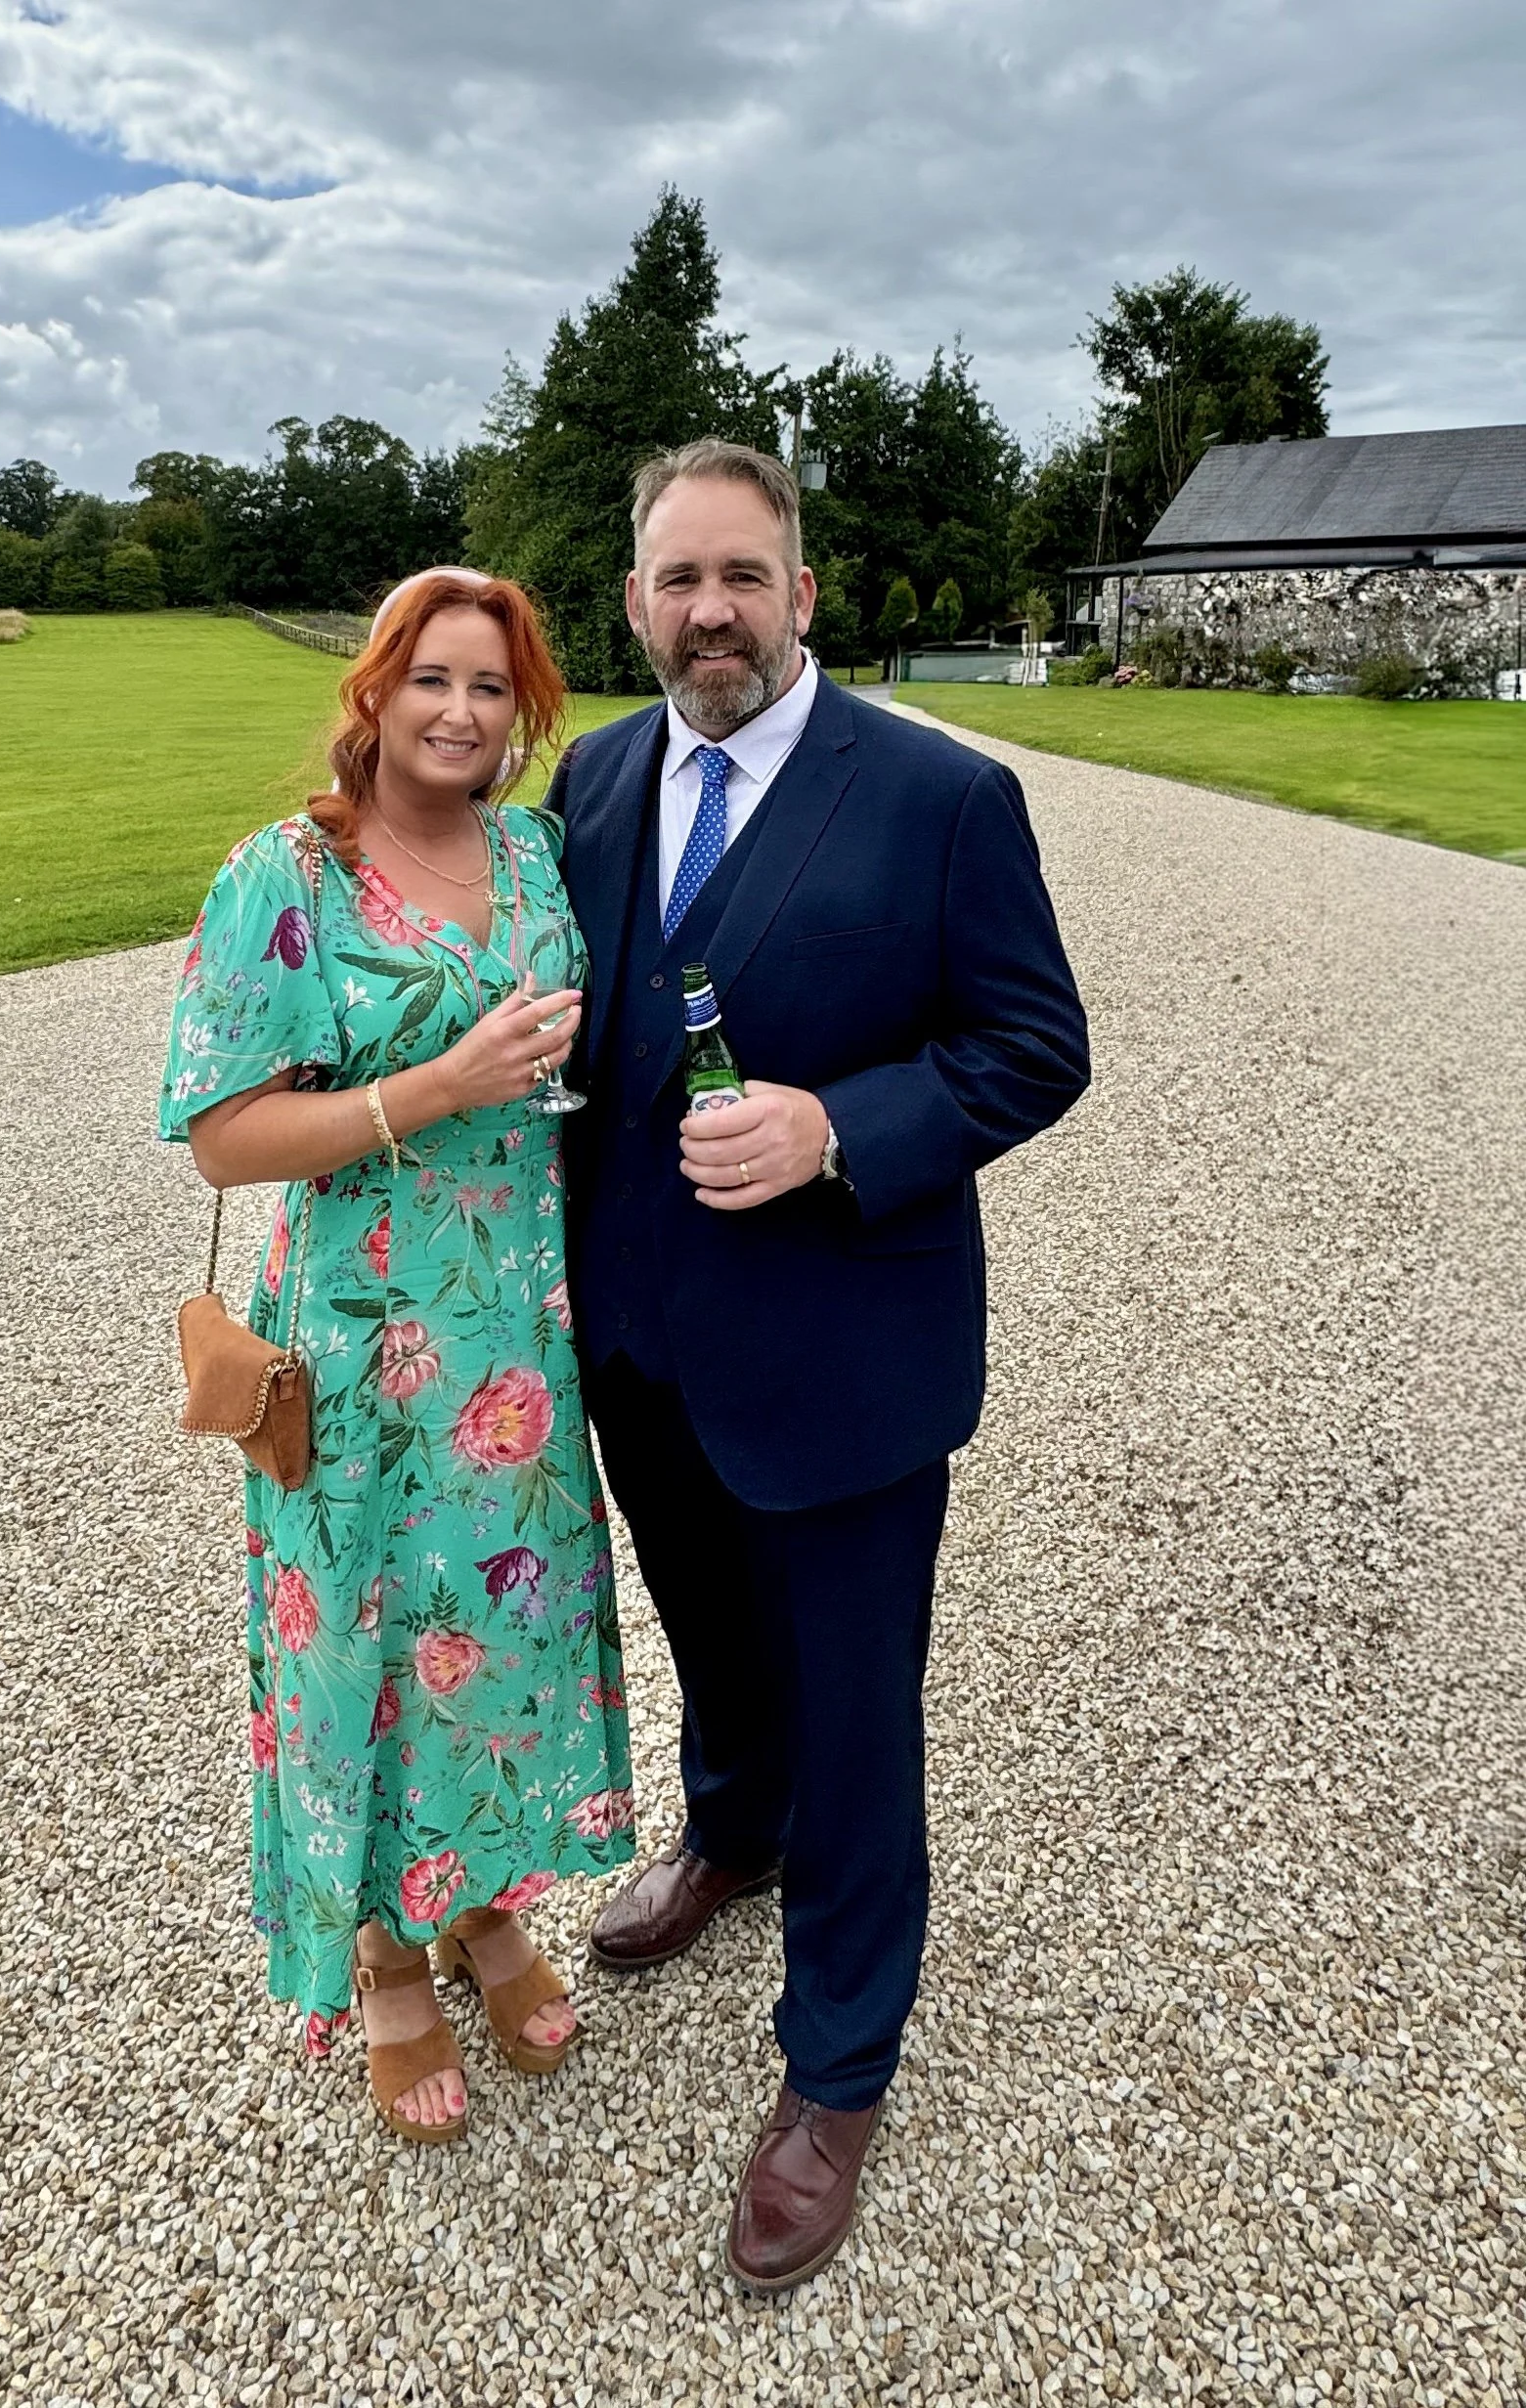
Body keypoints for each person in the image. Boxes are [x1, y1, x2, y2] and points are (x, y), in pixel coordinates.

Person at [548, 441, 1090, 2287]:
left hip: (847, 1350)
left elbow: (1036, 1045)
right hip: (639, 1338)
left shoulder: (941, 794)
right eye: (678, 579)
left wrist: (840, 1126)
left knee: (858, 1713)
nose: (711, 611)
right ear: (636, 601)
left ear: (802, 590)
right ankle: (731, 1831)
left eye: (742, 576)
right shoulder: (595, 777)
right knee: (707, 1631)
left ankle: (839, 2059)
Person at [159, 570, 634, 2145]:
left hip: (517, 1336)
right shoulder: (290, 873)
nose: (461, 711)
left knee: (493, 1632)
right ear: (375, 689)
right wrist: (435, 1084)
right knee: (365, 1649)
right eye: (432, 678)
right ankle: (381, 1946)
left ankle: (482, 1898)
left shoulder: (535, 853)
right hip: (362, 1343)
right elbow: (223, 1136)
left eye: (492, 686)